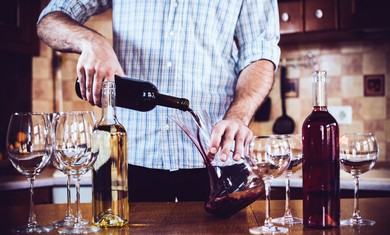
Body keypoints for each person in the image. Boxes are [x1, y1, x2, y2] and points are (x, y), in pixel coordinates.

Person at [37, 0, 280, 202]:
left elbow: (259, 52)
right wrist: (91, 41)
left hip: (217, 161)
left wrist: (238, 116)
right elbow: (49, 19)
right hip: (127, 163)